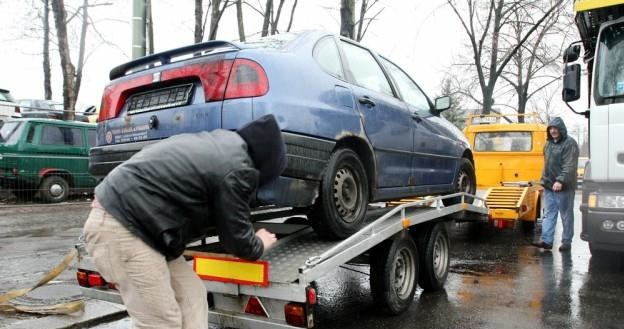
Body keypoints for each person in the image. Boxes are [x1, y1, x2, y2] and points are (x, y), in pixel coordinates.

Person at [82, 114, 286, 329]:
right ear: (267, 165)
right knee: (161, 322)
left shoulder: (224, 146)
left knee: (192, 296)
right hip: (124, 230)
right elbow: (238, 241)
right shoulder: (239, 169)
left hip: (144, 230)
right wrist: (260, 242)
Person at [532, 117, 579, 252]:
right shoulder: (548, 144)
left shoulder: (570, 144)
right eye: (551, 128)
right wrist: (544, 180)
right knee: (549, 213)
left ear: (561, 129)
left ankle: (566, 242)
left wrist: (560, 180)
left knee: (566, 215)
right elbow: (547, 164)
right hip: (549, 186)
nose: (553, 131)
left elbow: (570, 165)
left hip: (564, 187)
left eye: (555, 128)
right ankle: (546, 241)